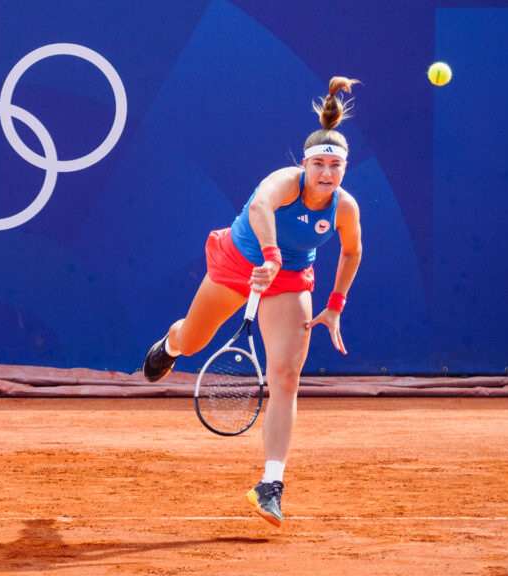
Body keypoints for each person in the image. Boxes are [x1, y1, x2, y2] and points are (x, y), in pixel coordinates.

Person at [142, 76, 364, 527]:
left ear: (343, 170)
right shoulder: (285, 182)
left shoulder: (345, 208)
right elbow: (261, 206)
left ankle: (271, 484)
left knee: (285, 376)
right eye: (319, 164)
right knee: (192, 341)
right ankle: (171, 341)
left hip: (289, 281)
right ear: (305, 164)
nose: (326, 173)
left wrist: (336, 302)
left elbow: (352, 250)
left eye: (335, 167)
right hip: (239, 263)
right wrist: (269, 252)